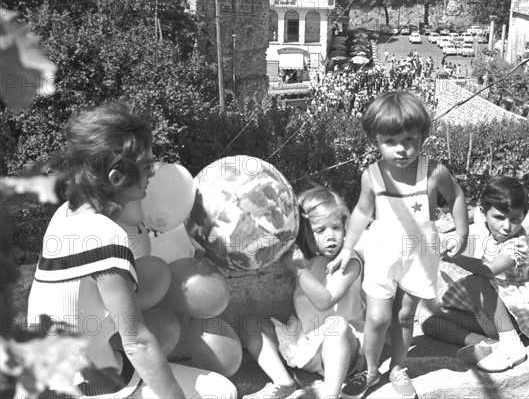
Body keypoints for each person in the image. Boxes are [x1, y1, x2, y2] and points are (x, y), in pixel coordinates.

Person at [26, 103, 237, 399]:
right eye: (147, 166)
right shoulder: (105, 236)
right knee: (220, 391)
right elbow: (137, 342)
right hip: (84, 388)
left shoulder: (64, 215)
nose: (153, 173)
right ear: (115, 178)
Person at [329, 92, 469, 399]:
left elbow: (456, 196)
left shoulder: (433, 172)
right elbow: (362, 212)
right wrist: (347, 248)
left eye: (409, 139)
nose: (401, 149)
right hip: (383, 255)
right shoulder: (373, 175)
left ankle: (397, 367)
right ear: (375, 141)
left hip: (420, 256)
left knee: (405, 316)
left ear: (423, 136)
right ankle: (368, 370)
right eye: (390, 141)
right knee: (377, 318)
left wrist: (461, 231)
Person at [240, 187, 365, 399]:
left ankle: (331, 395)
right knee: (250, 325)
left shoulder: (350, 262)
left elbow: (325, 302)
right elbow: (266, 240)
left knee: (338, 326)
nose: (330, 236)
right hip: (306, 340)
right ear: (306, 232)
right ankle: (284, 382)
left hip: (342, 349)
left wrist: (299, 270)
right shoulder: (306, 257)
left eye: (336, 227)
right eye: (320, 230)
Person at [422, 177, 529, 372]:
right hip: (487, 314)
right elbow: (473, 214)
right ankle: (486, 343)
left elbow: (487, 270)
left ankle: (511, 344)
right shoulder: (486, 218)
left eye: (515, 219)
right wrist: (454, 224)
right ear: (485, 213)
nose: (506, 226)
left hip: (514, 314)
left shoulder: (517, 245)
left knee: (474, 281)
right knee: (430, 323)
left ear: (523, 217)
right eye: (498, 217)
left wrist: (455, 257)